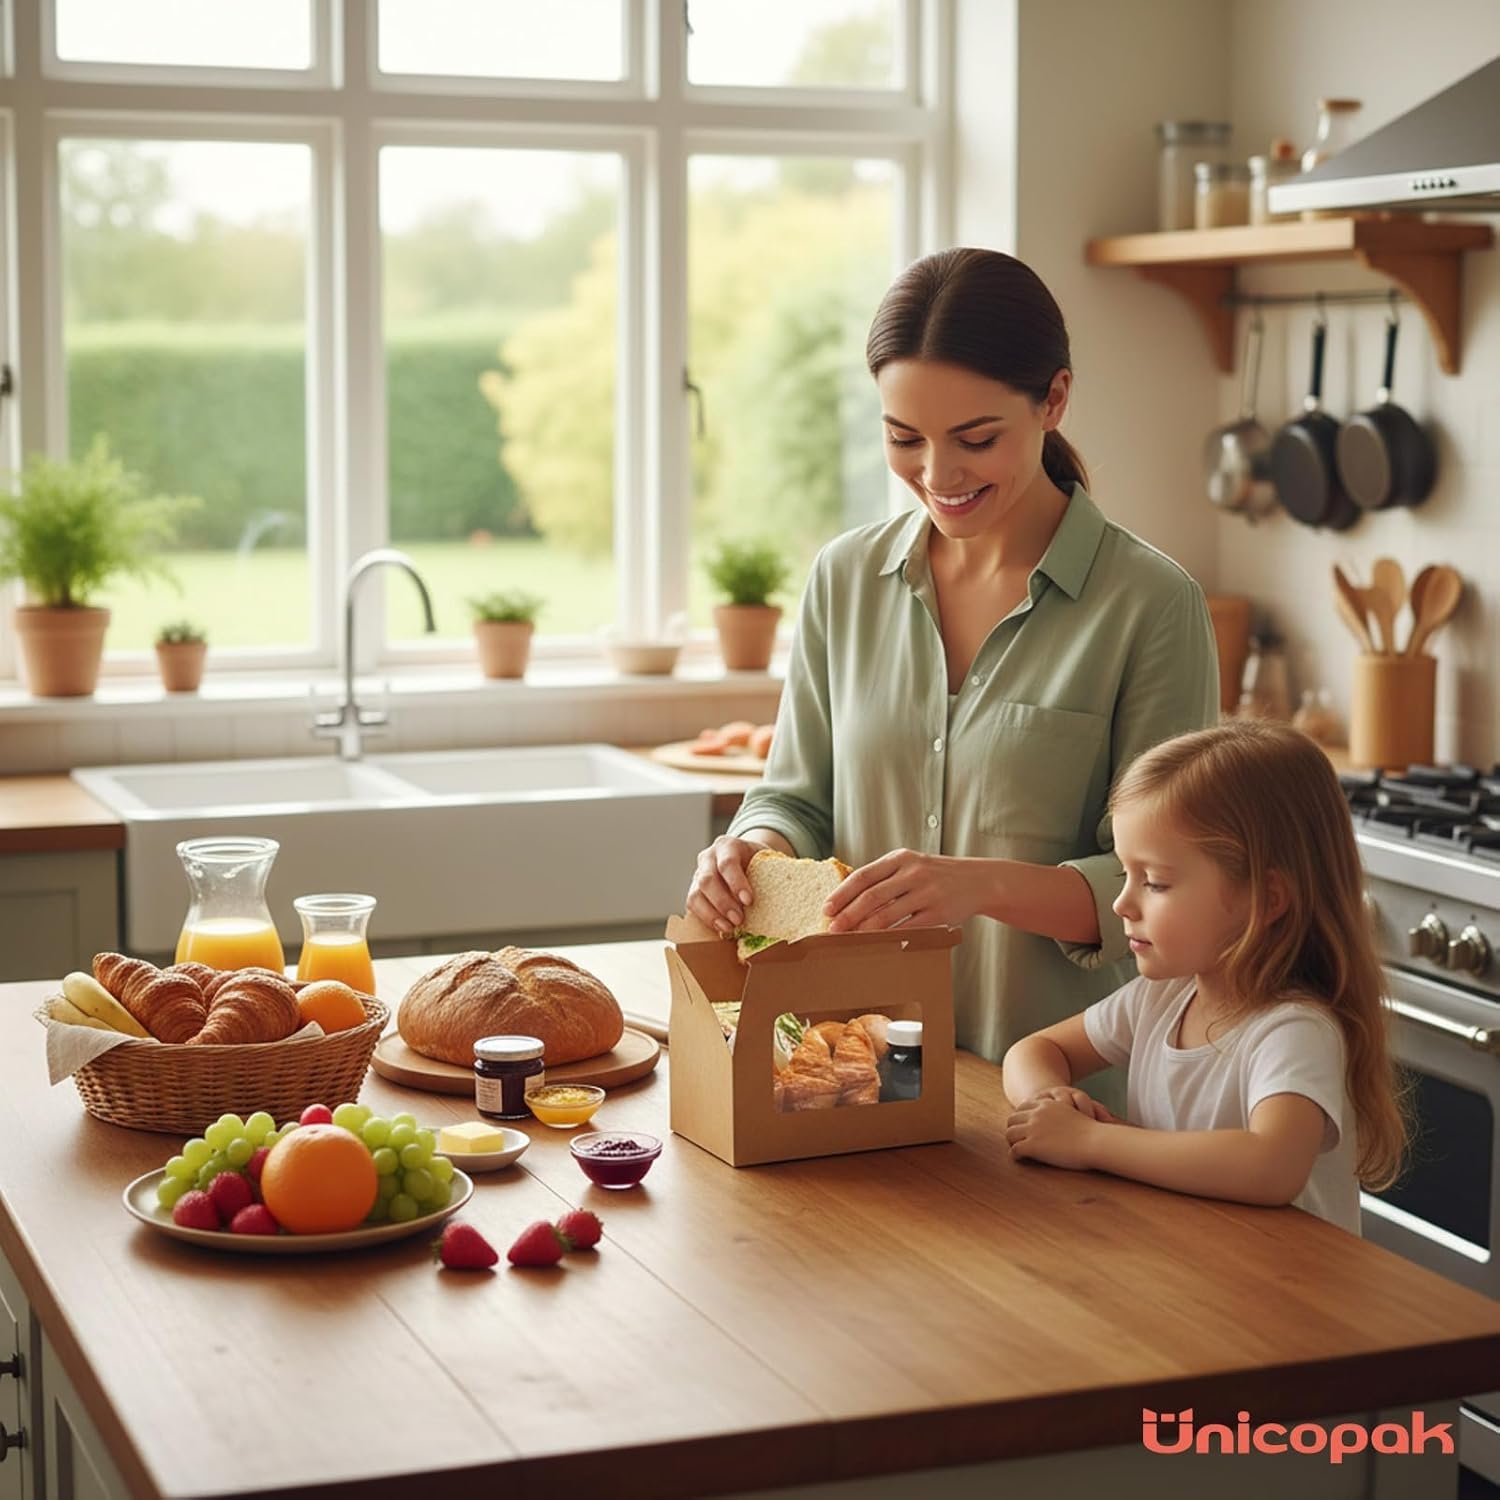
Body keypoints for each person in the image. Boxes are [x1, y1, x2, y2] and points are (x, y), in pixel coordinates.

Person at [686, 247, 1219, 1079]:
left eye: (976, 439)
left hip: (1061, 1096)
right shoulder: (845, 579)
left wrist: (981, 886)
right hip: (855, 1079)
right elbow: (796, 798)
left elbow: (1172, 886)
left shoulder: (1151, 605)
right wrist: (749, 848)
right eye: (905, 438)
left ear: (1054, 400)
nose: (938, 475)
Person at [1001, 720, 1406, 1233]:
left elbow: (1271, 1166)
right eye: (1126, 874)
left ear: (1266, 899)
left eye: (1155, 882)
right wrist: (1051, 1101)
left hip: (1283, 1280)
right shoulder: (1161, 997)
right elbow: (1035, 1051)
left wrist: (1089, 1141)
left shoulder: (1294, 1030)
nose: (1121, 903)